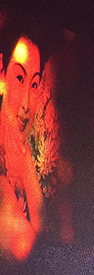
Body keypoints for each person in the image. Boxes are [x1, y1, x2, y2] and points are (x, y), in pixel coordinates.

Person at [0, 19, 52, 261]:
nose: (26, 103)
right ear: (1, 73)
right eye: (20, 78)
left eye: (34, 84)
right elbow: (24, 247)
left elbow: (44, 228)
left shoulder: (24, 153)